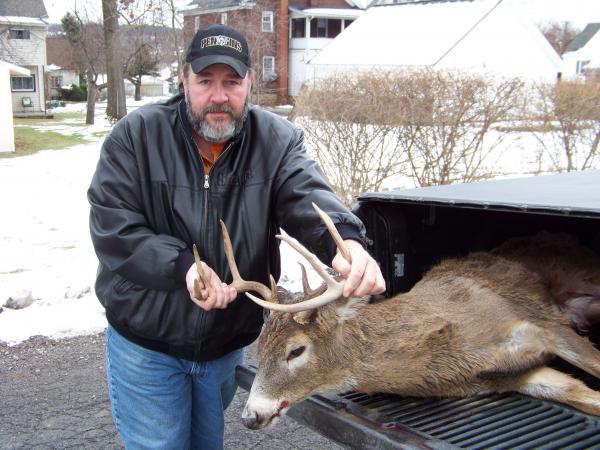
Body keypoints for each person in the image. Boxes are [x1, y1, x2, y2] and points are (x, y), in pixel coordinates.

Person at [88, 24, 385, 449]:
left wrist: (348, 244)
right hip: (146, 345)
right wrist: (184, 268)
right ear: (184, 81)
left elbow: (307, 193)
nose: (219, 97)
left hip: (223, 346)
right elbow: (114, 228)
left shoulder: (275, 140)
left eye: (232, 82)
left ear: (249, 84)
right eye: (205, 81)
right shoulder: (137, 137)